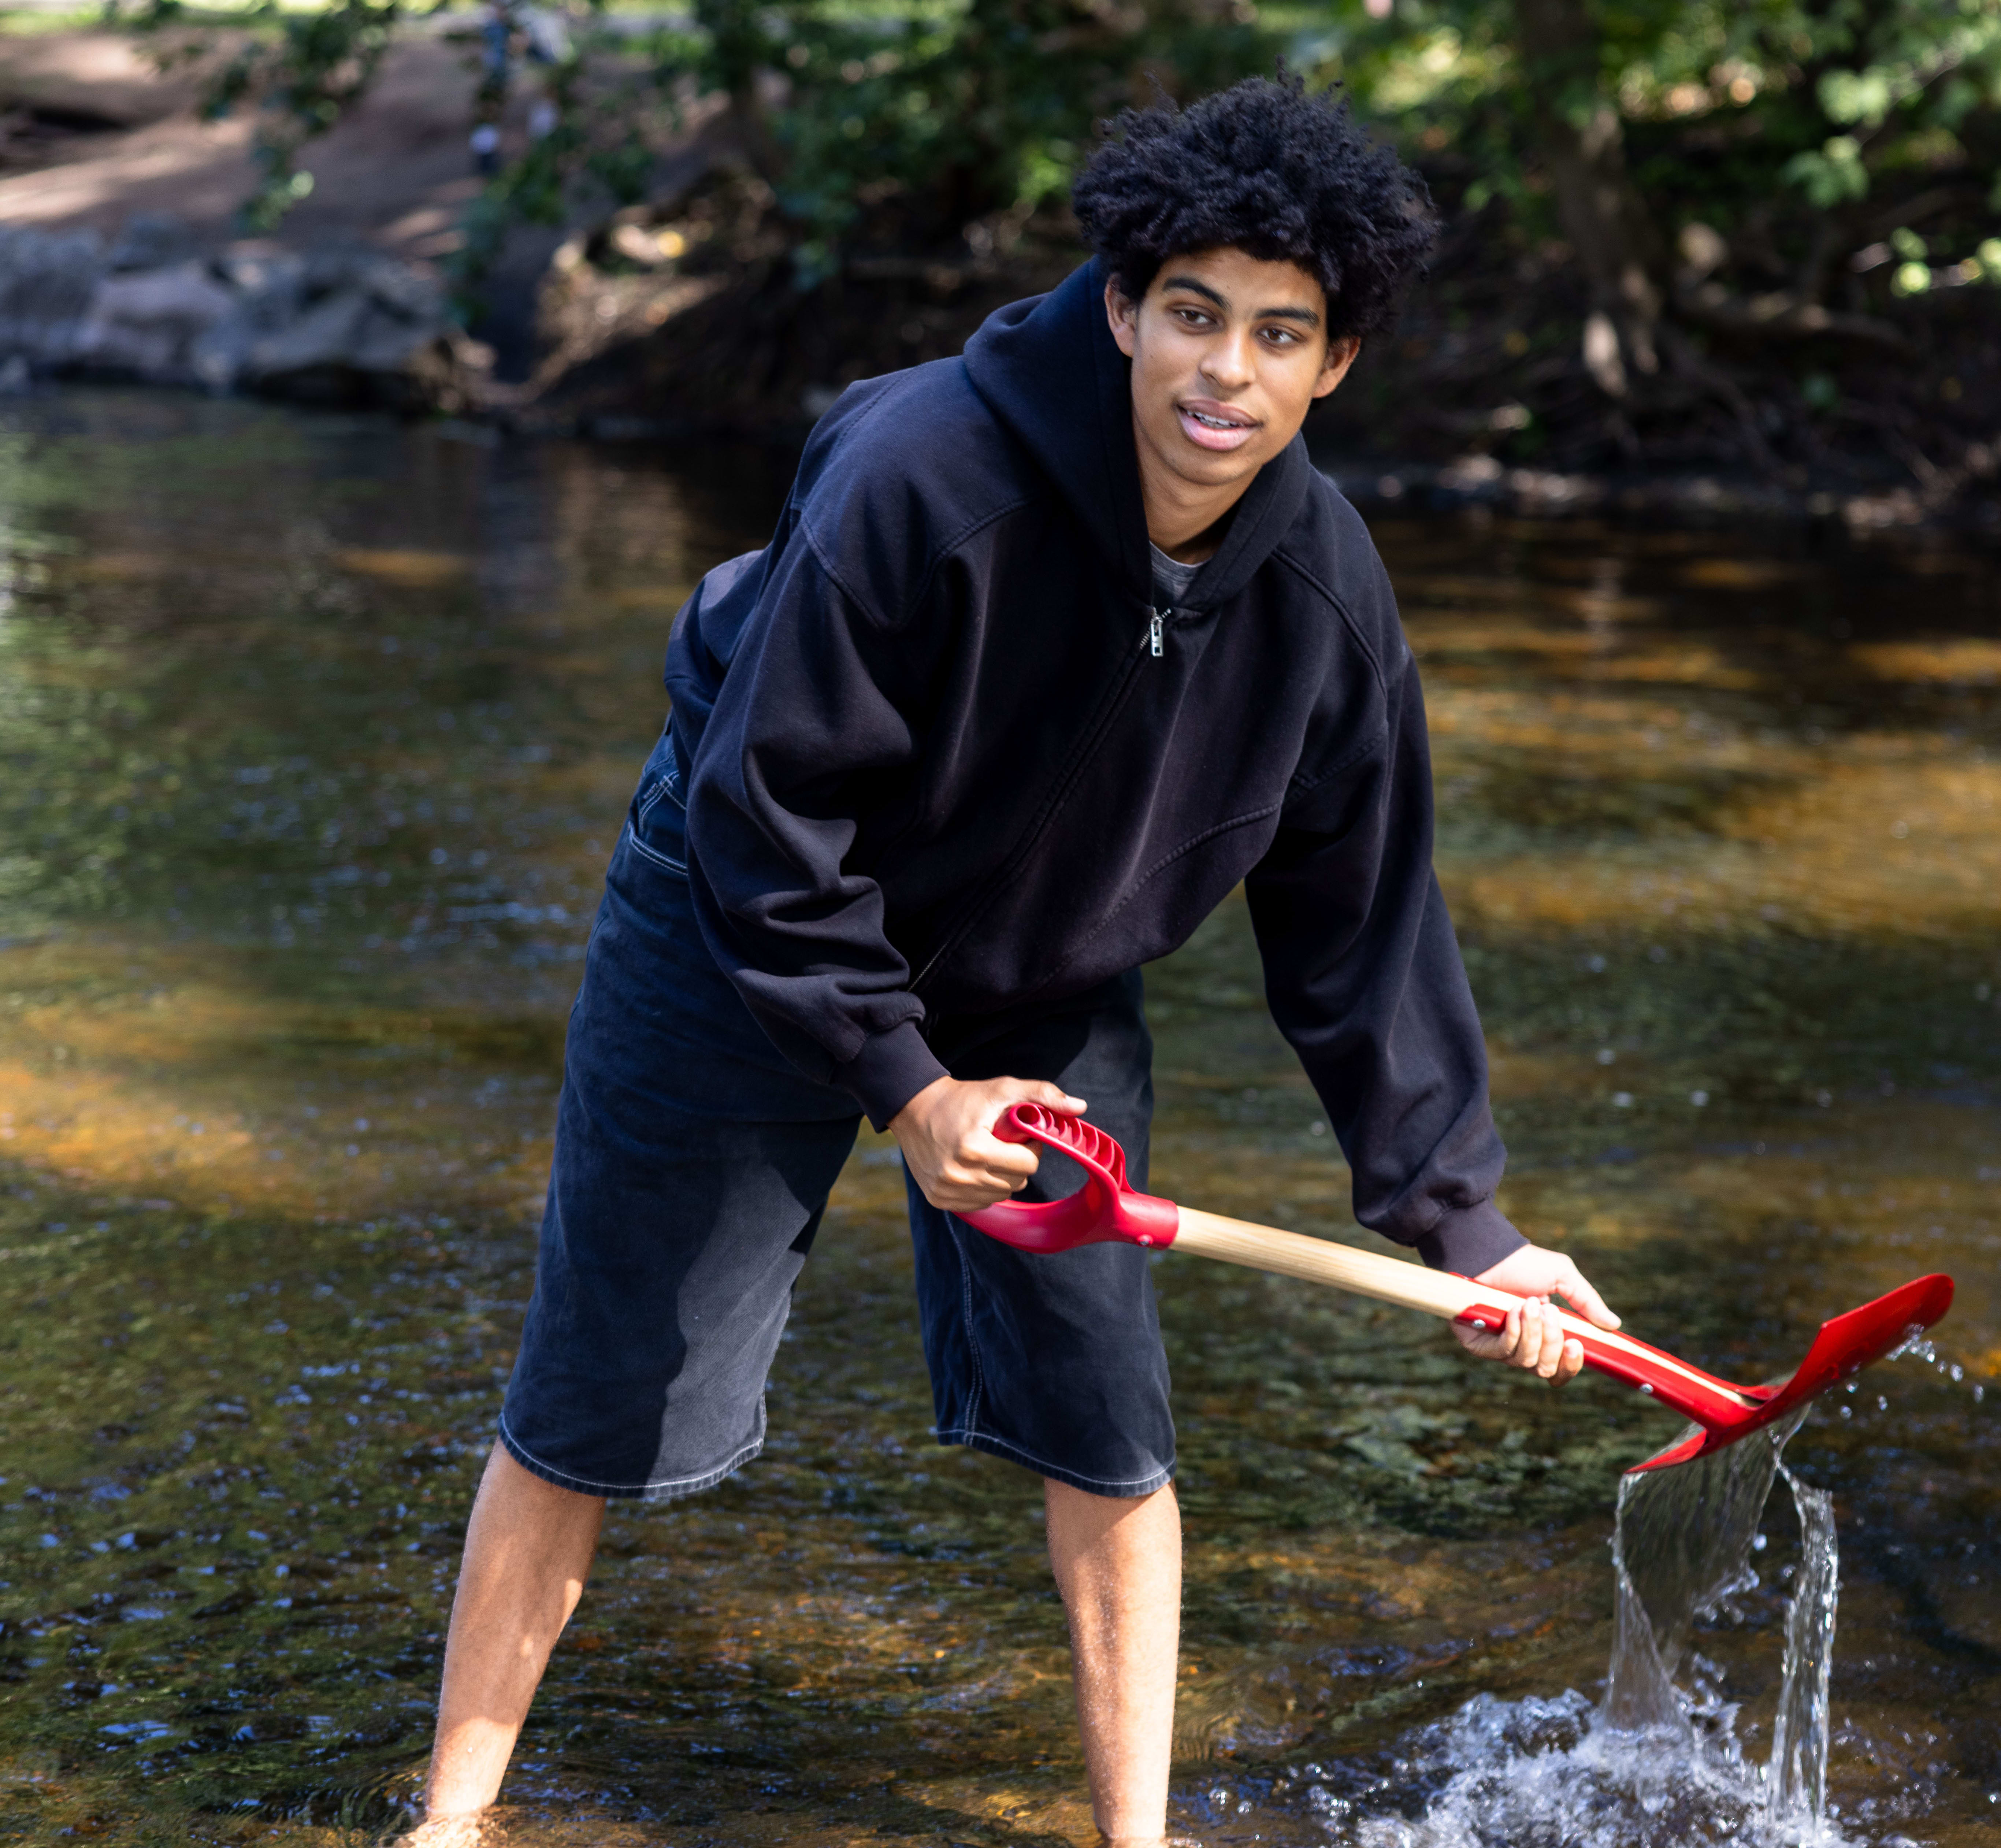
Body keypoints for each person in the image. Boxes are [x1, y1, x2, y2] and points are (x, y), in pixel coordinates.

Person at [409, 74, 1621, 1848]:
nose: (1226, 373)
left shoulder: (1324, 597)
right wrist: (905, 1087)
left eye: (1281, 336)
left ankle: (1135, 1834)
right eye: (1193, 315)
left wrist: (1467, 1224)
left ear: (1333, 367)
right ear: (1123, 307)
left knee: (1106, 1413)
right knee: (609, 1376)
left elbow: (1363, 924)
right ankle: (452, 1815)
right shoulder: (923, 472)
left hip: (1043, 964)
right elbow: (764, 812)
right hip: (755, 912)